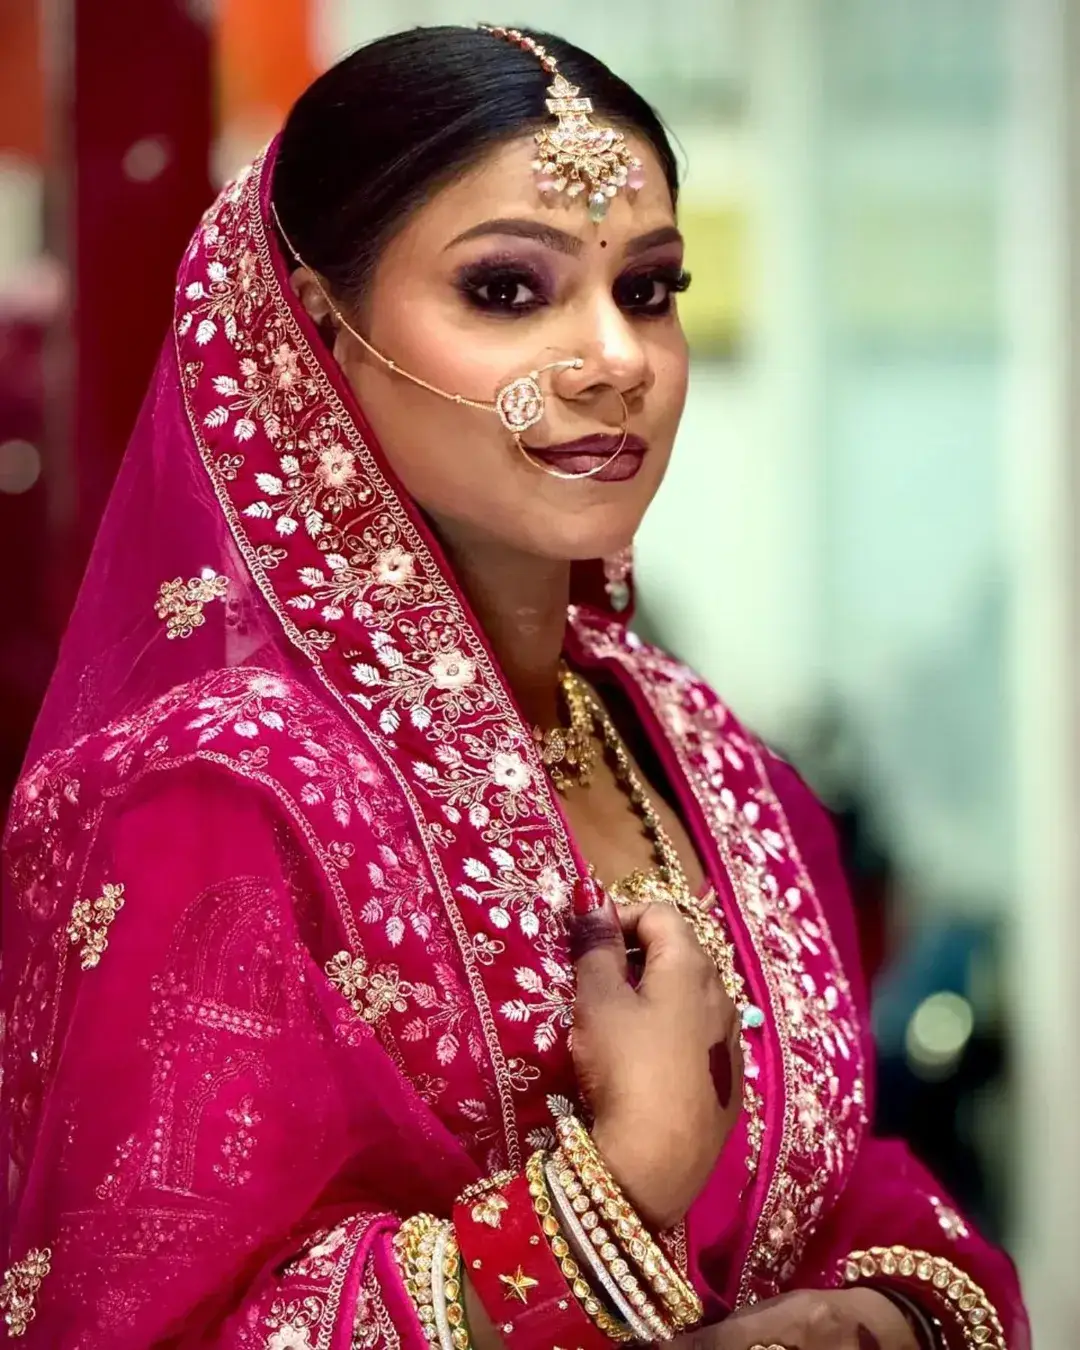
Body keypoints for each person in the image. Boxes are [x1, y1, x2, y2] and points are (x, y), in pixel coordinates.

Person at [0, 25, 1027, 1350]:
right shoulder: (210, 797)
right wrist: (616, 1187)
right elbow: (136, 1322)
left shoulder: (708, 751)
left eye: (648, 289)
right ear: (319, 331)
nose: (616, 357)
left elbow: (839, 1172)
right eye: (506, 289)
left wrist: (880, 1312)